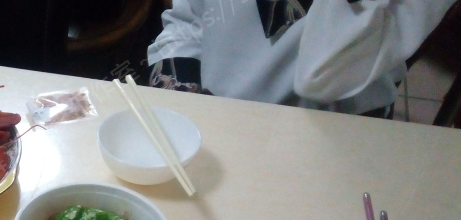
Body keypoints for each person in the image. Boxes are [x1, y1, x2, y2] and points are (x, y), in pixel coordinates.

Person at [145, 0, 457, 117]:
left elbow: (321, 76)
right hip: (211, 114)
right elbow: (187, 20)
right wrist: (180, 99)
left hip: (336, 134)